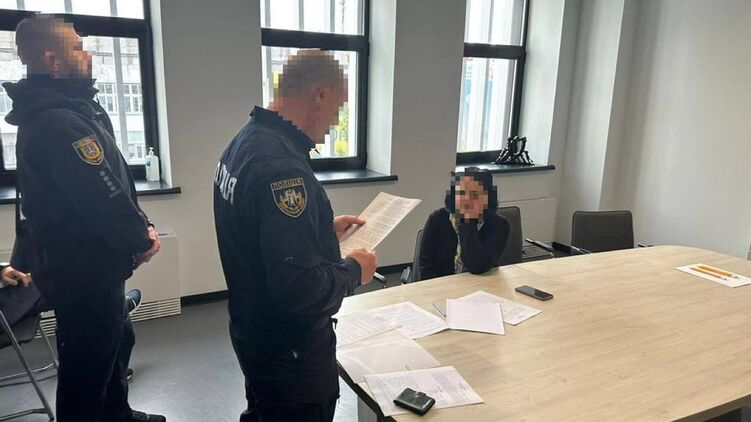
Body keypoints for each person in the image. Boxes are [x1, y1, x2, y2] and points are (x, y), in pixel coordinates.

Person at [4, 15, 163, 422]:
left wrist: (140, 227)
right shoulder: (59, 122)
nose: (87, 54)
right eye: (77, 47)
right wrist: (141, 238)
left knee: (117, 339)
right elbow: (102, 196)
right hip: (82, 268)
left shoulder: (73, 109)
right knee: (86, 370)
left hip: (89, 261)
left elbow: (112, 180)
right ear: (53, 61)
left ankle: (117, 414)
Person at [214, 50, 378, 422]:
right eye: (337, 108)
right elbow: (299, 289)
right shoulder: (282, 169)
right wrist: (355, 271)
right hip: (291, 354)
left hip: (253, 329)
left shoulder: (244, 143)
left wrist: (320, 229)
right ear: (319, 96)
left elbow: (256, 230)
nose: (335, 123)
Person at [418, 168, 510, 281]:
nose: (466, 200)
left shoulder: (499, 225)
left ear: (487, 198)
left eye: (474, 195)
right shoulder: (437, 219)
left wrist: (467, 222)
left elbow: (477, 266)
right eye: (462, 193)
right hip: (440, 286)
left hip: (482, 285)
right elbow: (425, 269)